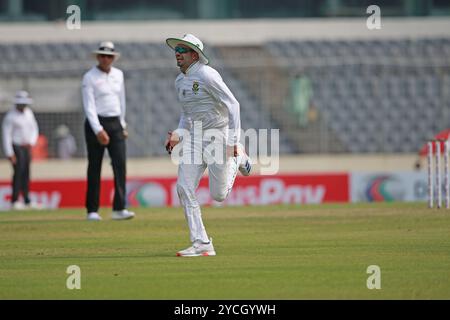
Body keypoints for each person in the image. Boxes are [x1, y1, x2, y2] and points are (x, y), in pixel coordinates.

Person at [165, 34, 252, 257]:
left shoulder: (207, 74)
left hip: (219, 137)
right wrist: (177, 134)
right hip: (195, 138)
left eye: (183, 50)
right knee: (183, 188)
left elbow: (234, 105)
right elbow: (187, 115)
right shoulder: (179, 81)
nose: (178, 53)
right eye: (177, 49)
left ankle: (239, 157)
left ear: (195, 55)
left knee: (219, 195)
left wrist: (233, 142)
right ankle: (201, 242)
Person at [81, 41, 135, 221]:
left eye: (109, 56)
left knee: (120, 165)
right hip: (96, 122)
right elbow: (89, 106)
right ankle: (92, 210)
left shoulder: (118, 75)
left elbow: (121, 101)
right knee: (94, 166)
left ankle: (119, 208)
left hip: (115, 122)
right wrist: (98, 130)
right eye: (103, 56)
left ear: (113, 58)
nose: (106, 59)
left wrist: (122, 124)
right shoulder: (89, 77)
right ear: (98, 57)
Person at [2, 90, 39, 210]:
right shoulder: (10, 116)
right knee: (18, 173)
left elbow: (34, 128)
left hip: (26, 147)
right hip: (16, 147)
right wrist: (9, 153)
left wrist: (31, 142)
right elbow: (6, 135)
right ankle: (15, 200)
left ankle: (27, 200)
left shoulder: (29, 113)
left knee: (26, 173)